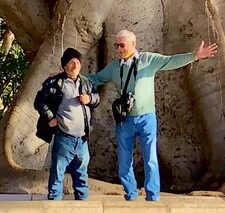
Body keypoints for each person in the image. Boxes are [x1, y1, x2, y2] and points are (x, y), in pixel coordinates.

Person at [86, 30, 217, 202]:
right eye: (116, 45)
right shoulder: (115, 67)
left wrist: (195, 56)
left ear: (133, 44)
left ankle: (153, 195)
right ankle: (131, 194)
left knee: (150, 159)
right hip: (125, 120)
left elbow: (171, 61)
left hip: (147, 117)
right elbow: (94, 78)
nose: (118, 49)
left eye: (122, 45)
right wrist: (66, 76)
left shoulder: (148, 60)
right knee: (124, 162)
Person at [34, 47, 100, 201]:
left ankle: (82, 207)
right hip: (64, 137)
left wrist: (90, 99)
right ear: (64, 66)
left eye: (77, 62)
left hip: (82, 140)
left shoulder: (86, 83)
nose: (75, 65)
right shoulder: (55, 83)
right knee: (57, 174)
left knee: (81, 176)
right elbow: (40, 101)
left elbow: (97, 98)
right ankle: (54, 207)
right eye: (71, 62)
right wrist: (50, 118)